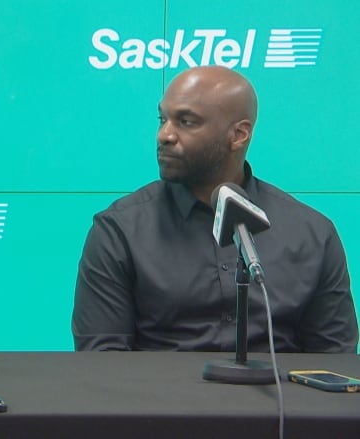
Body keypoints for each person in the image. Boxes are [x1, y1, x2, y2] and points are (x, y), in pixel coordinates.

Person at [73, 65, 358, 353]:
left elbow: (334, 362)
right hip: (158, 397)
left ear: (238, 135)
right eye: (163, 119)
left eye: (186, 121)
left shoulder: (312, 233)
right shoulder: (119, 230)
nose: (164, 135)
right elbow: (101, 362)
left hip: (279, 397)